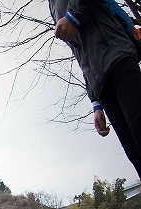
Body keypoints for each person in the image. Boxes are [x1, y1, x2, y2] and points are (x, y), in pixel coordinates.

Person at [50, 0, 141, 179]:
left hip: (117, 54)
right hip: (99, 82)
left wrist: (72, 17)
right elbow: (79, 52)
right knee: (134, 153)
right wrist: (96, 103)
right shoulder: (52, 6)